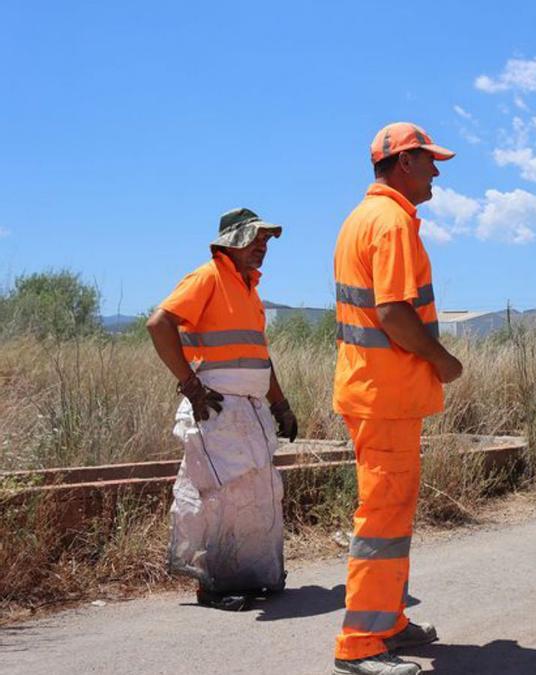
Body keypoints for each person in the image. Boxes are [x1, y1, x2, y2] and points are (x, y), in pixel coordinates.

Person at [330, 123, 463, 675]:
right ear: (404, 162)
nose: (436, 171)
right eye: (430, 161)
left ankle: (387, 622)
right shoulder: (390, 223)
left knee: (391, 512)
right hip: (384, 396)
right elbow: (392, 313)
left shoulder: (365, 218)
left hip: (376, 392)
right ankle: (360, 644)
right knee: (382, 518)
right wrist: (441, 359)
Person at [146, 208, 300, 612]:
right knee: (218, 498)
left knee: (252, 496)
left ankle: (247, 578)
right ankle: (213, 585)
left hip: (248, 412)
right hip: (215, 408)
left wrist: (280, 405)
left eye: (265, 242)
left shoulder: (249, 289)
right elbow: (158, 324)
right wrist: (192, 387)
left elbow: (259, 356)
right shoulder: (208, 277)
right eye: (255, 240)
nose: (262, 249)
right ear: (232, 241)